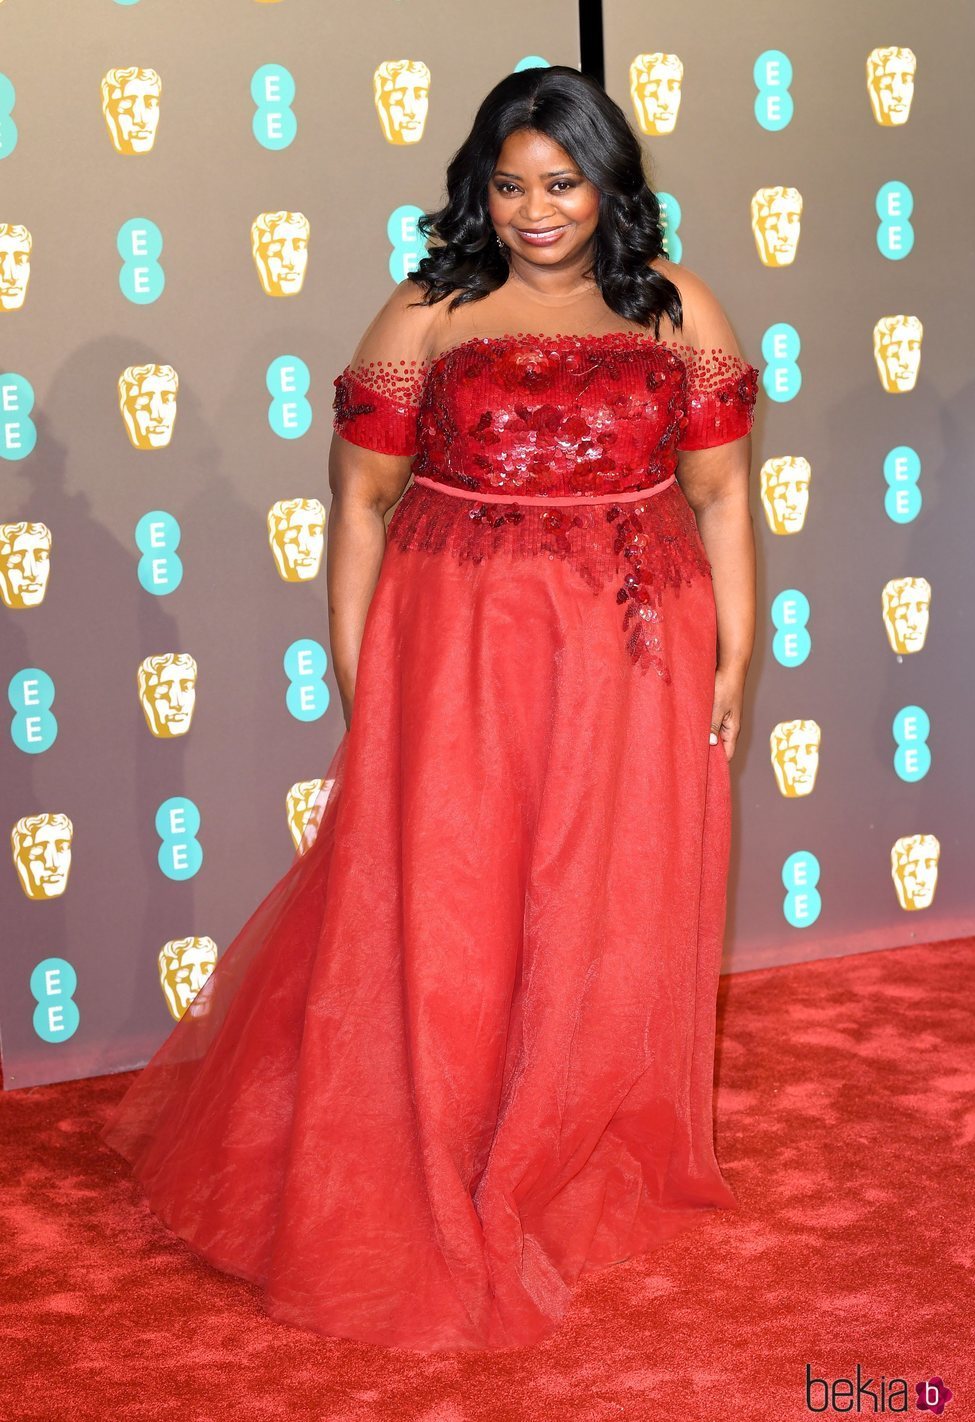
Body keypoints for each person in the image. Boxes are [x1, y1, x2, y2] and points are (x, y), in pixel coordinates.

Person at [99, 65, 760, 1353]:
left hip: (634, 641)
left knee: (605, 894)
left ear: (610, 183)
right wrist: (360, 671)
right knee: (452, 903)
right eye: (510, 186)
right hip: (464, 646)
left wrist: (731, 656)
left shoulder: (680, 308)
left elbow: (726, 494)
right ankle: (438, 1141)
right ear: (479, 188)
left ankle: (565, 1134)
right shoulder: (429, 311)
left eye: (562, 183)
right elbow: (358, 502)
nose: (536, 211)